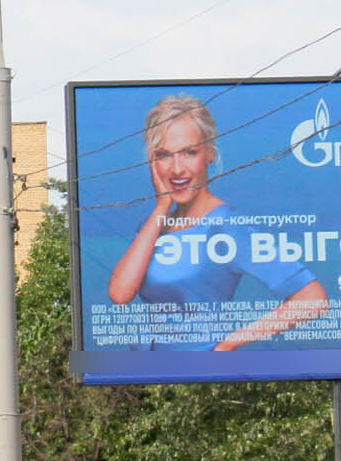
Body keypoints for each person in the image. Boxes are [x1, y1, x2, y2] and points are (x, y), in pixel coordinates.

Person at [103, 94, 326, 350]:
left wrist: (227, 345)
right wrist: (161, 207)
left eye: (189, 152)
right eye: (165, 155)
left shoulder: (226, 226)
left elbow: (312, 299)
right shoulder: (154, 225)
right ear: (153, 162)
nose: (177, 170)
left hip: (196, 379)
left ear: (209, 154)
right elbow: (120, 295)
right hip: (147, 376)